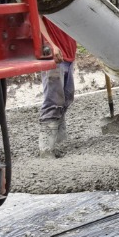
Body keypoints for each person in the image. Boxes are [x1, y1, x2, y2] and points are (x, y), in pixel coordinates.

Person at [38, 16, 78, 158]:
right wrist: (50, 44)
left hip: (68, 52)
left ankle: (56, 143)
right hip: (54, 55)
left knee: (67, 96)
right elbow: (35, 16)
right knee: (53, 100)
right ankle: (46, 149)